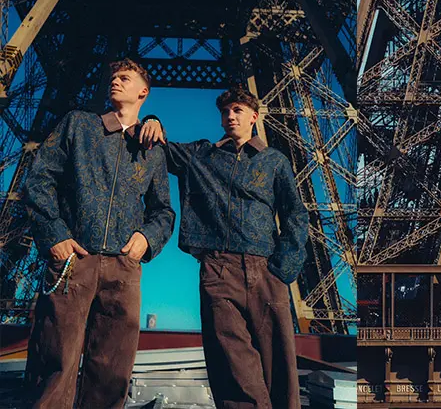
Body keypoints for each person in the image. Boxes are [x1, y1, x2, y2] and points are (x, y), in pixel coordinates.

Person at [139, 85, 309, 408]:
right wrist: (152, 119)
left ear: (254, 118)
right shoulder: (202, 155)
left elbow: (296, 214)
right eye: (225, 112)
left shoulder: (274, 161)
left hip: (266, 270)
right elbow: (163, 147)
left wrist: (281, 270)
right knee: (233, 368)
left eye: (237, 111)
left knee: (281, 370)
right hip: (219, 270)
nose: (230, 117)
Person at [23, 59, 175, 408]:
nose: (115, 82)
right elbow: (39, 179)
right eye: (113, 77)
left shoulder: (153, 151)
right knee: (54, 363)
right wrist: (55, 235)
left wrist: (146, 240)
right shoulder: (79, 124)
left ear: (143, 92)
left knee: (112, 371)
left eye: (125, 77)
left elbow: (164, 210)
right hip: (75, 260)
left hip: (123, 268)